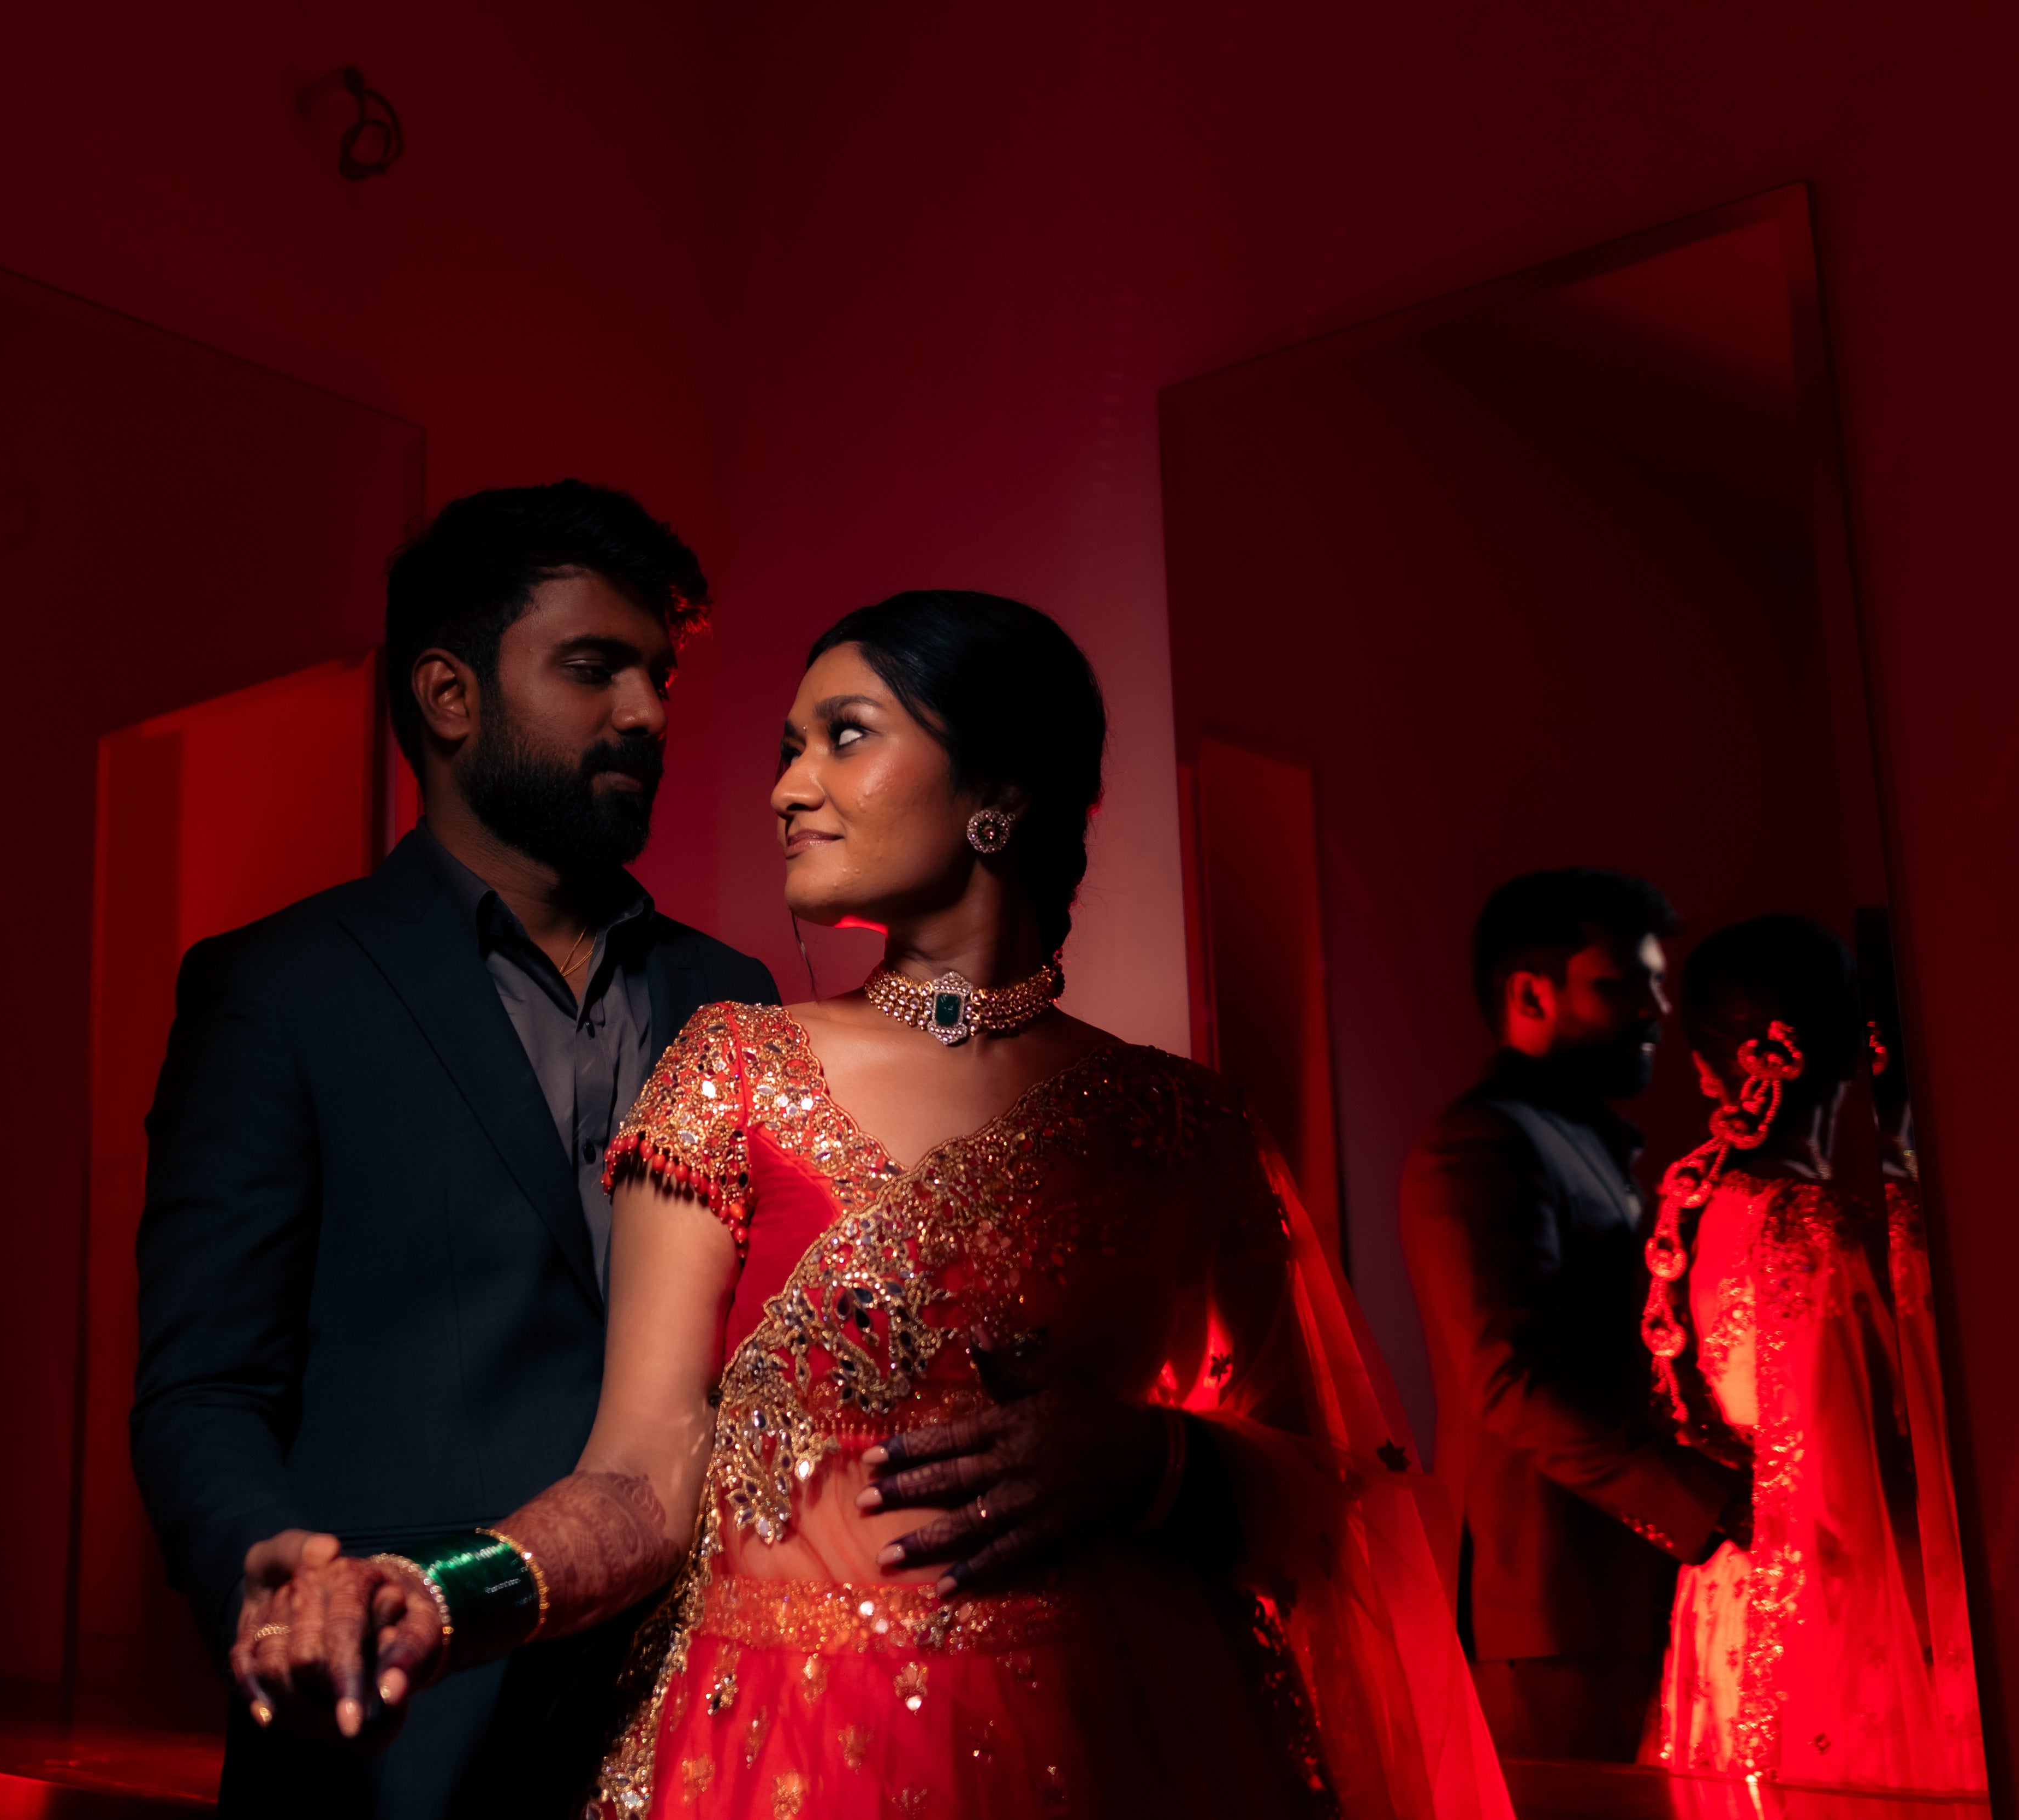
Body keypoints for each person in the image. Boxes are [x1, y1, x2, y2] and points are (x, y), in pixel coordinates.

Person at [234, 592, 1507, 1818]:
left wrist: (1152, 1460)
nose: (789, 787)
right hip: (782, 1741)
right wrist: (439, 1590)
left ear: (998, 793)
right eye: (789, 750)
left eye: (845, 735)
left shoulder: (1177, 1123)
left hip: (1127, 1732)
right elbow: (638, 1476)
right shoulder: (731, 1069)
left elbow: (1335, 1485)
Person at [132, 482, 781, 1820]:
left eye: (657, 676)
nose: (647, 712)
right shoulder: (279, 989)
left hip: (703, 1717)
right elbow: (204, 1383)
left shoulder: (734, 995)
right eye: (593, 667)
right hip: (399, 1731)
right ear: (448, 694)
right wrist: (270, 1574)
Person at [1399, 869, 1748, 1762]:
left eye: (1656, 984)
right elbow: (1509, 1383)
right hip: (1551, 1609)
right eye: (1621, 983)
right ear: (1531, 994)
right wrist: (1711, 1500)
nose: (1656, 1009)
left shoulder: (1576, 1142)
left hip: (1614, 1593)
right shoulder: (1480, 1146)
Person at [1641, 916, 1982, 1788]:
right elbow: (1847, 1481)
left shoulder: (1697, 1208)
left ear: (1708, 1068)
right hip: (1838, 1610)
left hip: (1734, 1591)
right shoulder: (1829, 1233)